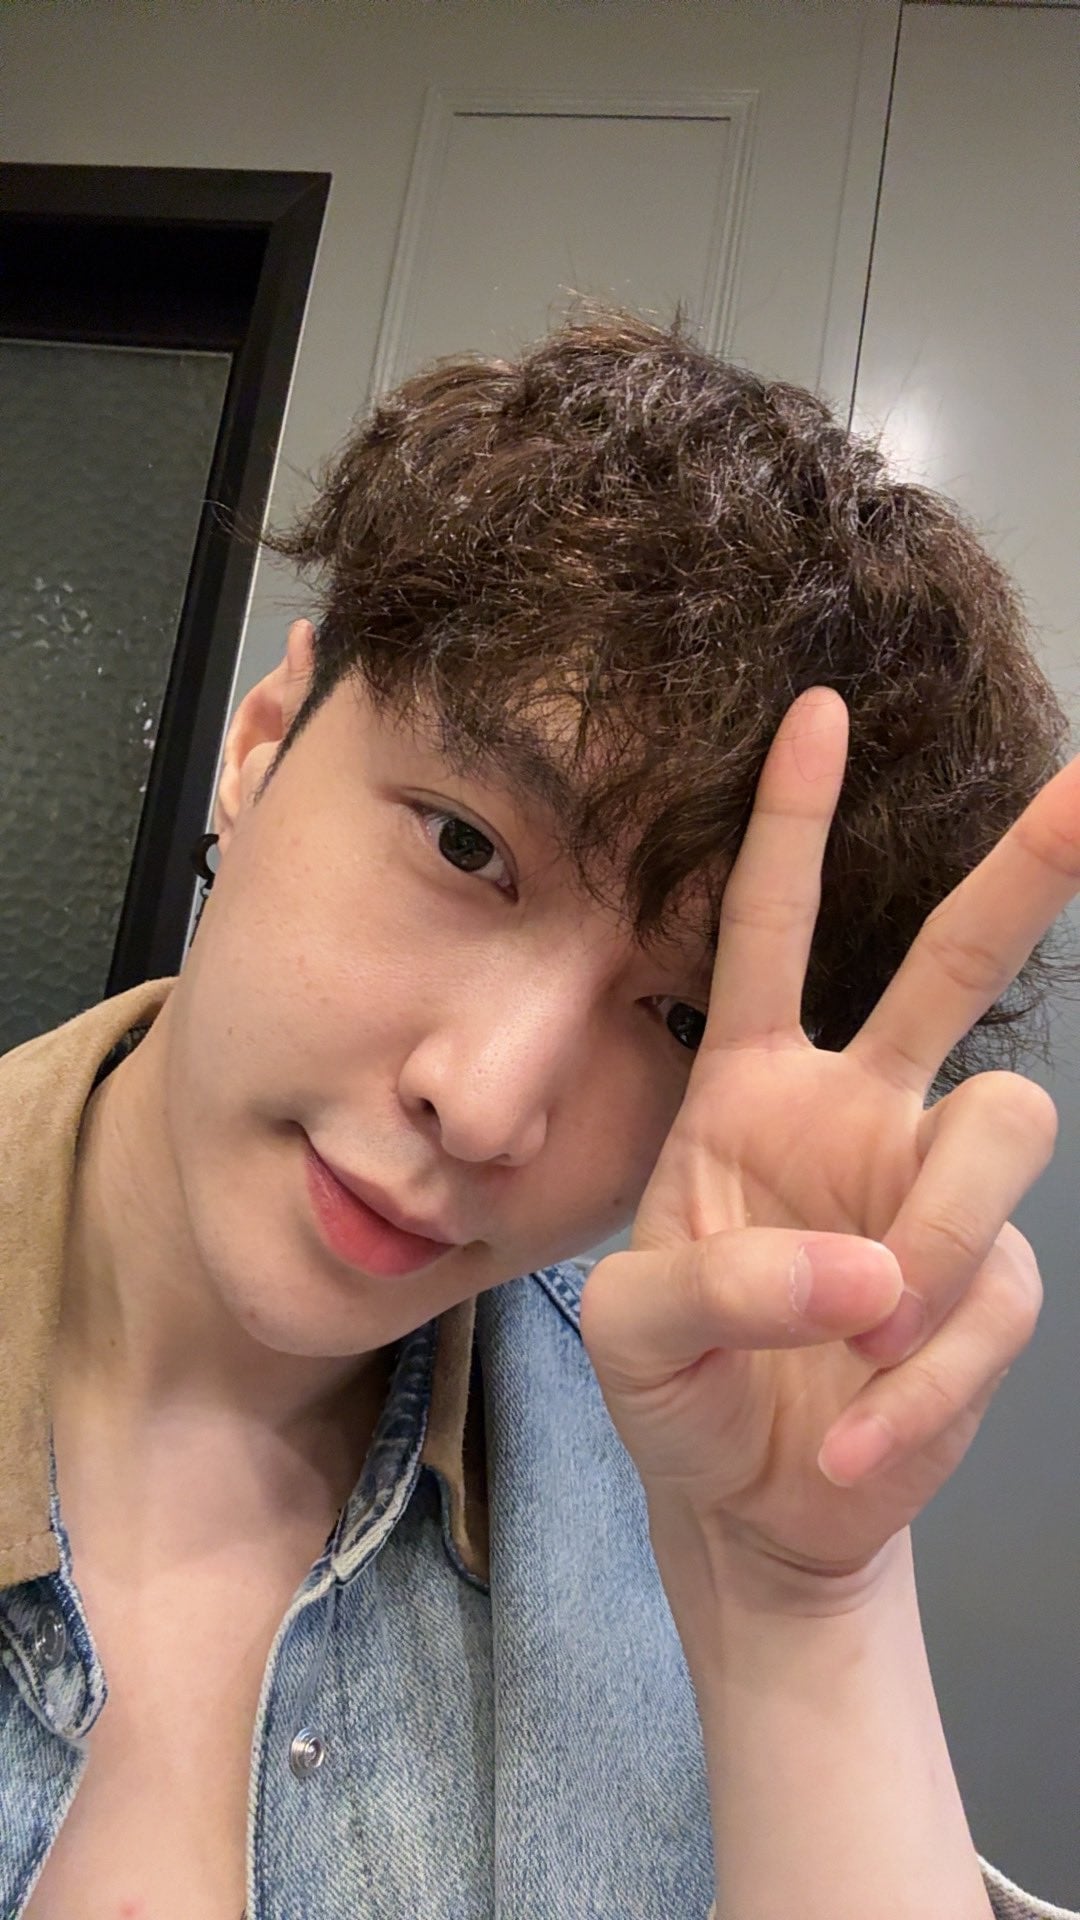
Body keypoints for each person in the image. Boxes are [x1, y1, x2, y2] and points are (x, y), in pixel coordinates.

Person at [1, 304, 1076, 1920]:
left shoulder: (686, 1475)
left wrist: (805, 1616)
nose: (488, 1104)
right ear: (265, 743)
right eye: (463, 846)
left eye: (681, 1017)